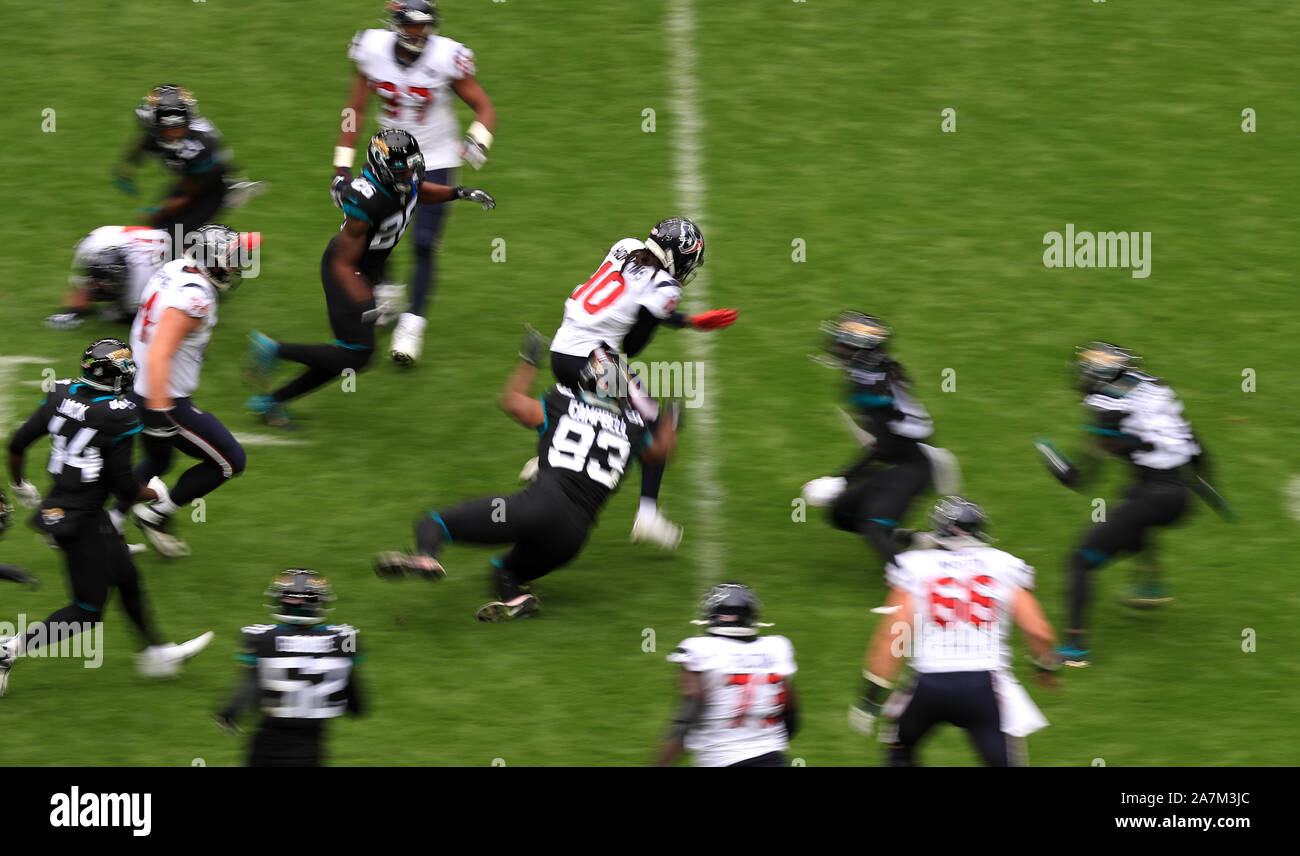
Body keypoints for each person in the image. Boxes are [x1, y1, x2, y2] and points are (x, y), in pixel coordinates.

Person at [373, 335, 677, 622]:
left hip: (537, 506)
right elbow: (660, 453)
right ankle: (515, 598)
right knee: (503, 568)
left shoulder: (561, 402)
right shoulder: (633, 430)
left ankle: (426, 556)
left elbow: (513, 402)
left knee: (434, 523)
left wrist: (528, 360)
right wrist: (672, 420)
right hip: (572, 537)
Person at [1, 339, 213, 696]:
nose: (130, 374)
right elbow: (125, 487)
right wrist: (156, 493)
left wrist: (20, 483)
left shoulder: (60, 392)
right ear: (113, 375)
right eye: (125, 369)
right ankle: (8, 649)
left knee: (126, 575)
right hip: (81, 520)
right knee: (86, 611)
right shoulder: (119, 415)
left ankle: (155, 654)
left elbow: (18, 442)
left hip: (65, 506)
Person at [246, 129, 494, 427]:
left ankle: (271, 400)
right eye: (401, 172)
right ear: (382, 169)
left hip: (367, 269)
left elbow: (419, 191)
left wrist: (459, 192)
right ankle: (274, 353)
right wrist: (366, 301)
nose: (408, 176)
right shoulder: (367, 200)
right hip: (346, 272)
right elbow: (342, 261)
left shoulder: (404, 179)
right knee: (358, 354)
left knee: (350, 353)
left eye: (411, 168)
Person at [545, 217, 738, 549]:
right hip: (590, 358)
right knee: (657, 422)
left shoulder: (626, 246)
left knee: (614, 413)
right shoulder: (666, 287)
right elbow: (635, 342)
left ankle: (548, 452)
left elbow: (628, 301)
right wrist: (676, 312)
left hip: (563, 349)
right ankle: (646, 514)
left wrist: (689, 321)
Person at [1035, 342, 1228, 667]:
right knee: (1132, 507)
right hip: (1180, 496)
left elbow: (1079, 479)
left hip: (1156, 497)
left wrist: (1049, 455)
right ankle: (1150, 587)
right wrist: (1211, 492)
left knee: (1079, 561)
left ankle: (1075, 648)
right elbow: (1196, 446)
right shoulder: (1154, 389)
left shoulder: (1109, 409)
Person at [334, 0, 498, 365]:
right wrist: (341, 165)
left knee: (423, 243)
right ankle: (388, 292)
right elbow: (353, 110)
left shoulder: (446, 56)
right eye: (411, 25)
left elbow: (485, 108)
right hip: (383, 159)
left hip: (434, 158)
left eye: (425, 26)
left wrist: (476, 141)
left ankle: (411, 327)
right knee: (373, 234)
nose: (418, 33)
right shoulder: (372, 49)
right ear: (395, 23)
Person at [849, 497, 1059, 766]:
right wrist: (1045, 666)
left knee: (899, 743)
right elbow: (1038, 629)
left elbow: (894, 635)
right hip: (985, 687)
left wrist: (871, 697)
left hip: (929, 685)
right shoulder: (1002, 565)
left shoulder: (916, 566)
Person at [125, 225, 252, 558]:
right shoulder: (196, 298)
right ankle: (153, 513)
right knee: (229, 461)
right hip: (161, 396)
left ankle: (106, 520)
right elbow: (160, 353)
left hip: (138, 383)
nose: (236, 265)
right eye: (230, 259)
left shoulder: (173, 269)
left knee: (157, 460)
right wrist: (159, 410)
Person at [802, 312, 944, 573]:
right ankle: (920, 541)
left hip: (914, 466)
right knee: (842, 514)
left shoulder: (872, 387)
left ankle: (908, 587)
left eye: (843, 344)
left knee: (874, 528)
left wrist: (843, 478)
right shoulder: (870, 376)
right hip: (902, 461)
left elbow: (886, 447)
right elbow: (884, 444)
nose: (836, 348)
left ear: (860, 351)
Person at [213, 570, 364, 767]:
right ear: (319, 603)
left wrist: (230, 712)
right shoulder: (345, 638)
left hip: (269, 742)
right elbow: (356, 703)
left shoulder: (262, 638)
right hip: (311, 743)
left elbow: (252, 685)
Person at [655, 583, 798, 767]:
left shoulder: (700, 650)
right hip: (772, 759)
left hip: (723, 760)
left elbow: (686, 721)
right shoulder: (777, 648)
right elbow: (792, 718)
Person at [112, 85, 263, 239]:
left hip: (211, 185)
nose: (173, 136)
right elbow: (143, 145)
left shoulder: (200, 146)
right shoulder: (156, 132)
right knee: (160, 231)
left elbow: (187, 195)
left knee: (176, 236)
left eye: (178, 128)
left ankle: (230, 249)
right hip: (191, 177)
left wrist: (159, 212)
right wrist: (126, 169)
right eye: (168, 130)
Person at [44, 226, 170, 330]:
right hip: (127, 240)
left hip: (163, 245)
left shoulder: (140, 286)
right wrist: (73, 309)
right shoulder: (91, 244)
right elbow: (78, 288)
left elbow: (134, 315)